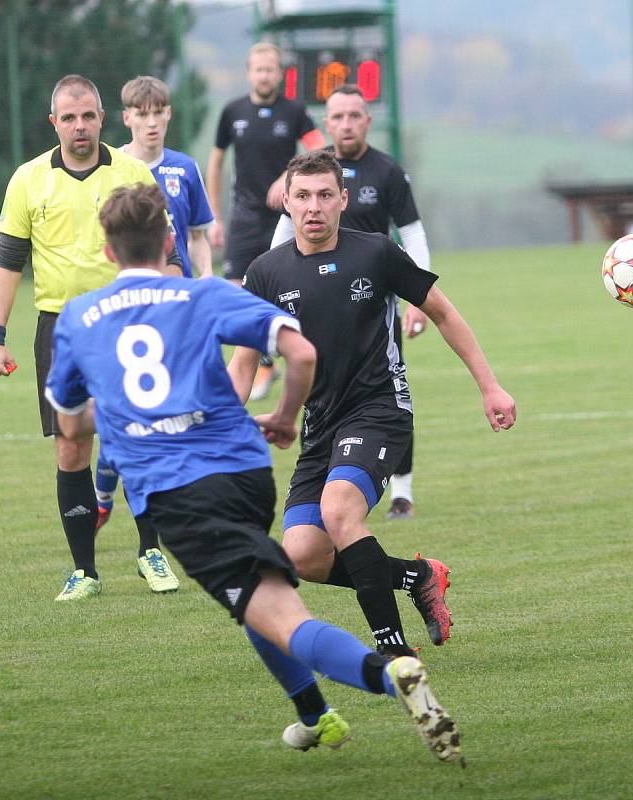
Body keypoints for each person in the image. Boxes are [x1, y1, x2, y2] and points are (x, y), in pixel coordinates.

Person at [43, 182, 463, 763]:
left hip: (176, 490)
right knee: (259, 586)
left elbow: (72, 426)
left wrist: (117, 416)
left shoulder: (80, 317)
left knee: (278, 613)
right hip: (244, 471)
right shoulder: (202, 294)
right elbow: (301, 353)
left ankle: (392, 673)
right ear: (168, 239)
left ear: (108, 251)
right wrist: (287, 417)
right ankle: (316, 717)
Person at [229, 151, 516, 660]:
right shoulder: (266, 272)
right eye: (302, 196)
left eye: (324, 195)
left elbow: (445, 315)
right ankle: (418, 575)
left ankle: (394, 652)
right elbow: (244, 361)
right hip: (320, 427)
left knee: (339, 510)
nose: (313, 207)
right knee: (303, 555)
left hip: (380, 410)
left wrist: (490, 387)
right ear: (287, 204)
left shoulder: (377, 252)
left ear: (343, 199)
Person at [0, 74, 182, 600]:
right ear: (54, 122)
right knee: (72, 446)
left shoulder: (133, 172)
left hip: (129, 320)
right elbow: (8, 261)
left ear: (102, 118)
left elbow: (169, 251)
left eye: (88, 116)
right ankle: (85, 571)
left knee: (142, 434)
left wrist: (178, 310)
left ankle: (151, 552)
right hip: (61, 328)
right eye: (68, 117)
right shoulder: (28, 179)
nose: (79, 126)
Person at [271, 83, 431, 520]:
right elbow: (284, 237)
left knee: (388, 383)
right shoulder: (311, 173)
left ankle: (402, 488)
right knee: (316, 383)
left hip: (373, 298)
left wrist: (416, 299)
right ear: (327, 124)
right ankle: (325, 472)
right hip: (313, 300)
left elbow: (412, 232)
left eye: (354, 116)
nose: (346, 124)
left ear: (367, 121)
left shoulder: (387, 171)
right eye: (337, 116)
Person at [92, 75, 215, 533]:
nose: (150, 122)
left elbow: (198, 237)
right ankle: (105, 491)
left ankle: (166, 510)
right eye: (140, 114)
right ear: (126, 119)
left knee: (171, 408)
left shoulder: (184, 168)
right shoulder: (113, 169)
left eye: (157, 112)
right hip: (123, 311)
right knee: (124, 409)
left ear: (168, 115)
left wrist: (204, 280)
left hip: (175, 306)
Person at [206, 42, 325, 400]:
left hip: (285, 217)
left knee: (287, 288)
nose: (265, 75)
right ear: (249, 72)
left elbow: (321, 148)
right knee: (236, 294)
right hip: (243, 217)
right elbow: (215, 164)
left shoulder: (294, 111)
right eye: (259, 69)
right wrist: (214, 215)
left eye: (271, 69)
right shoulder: (232, 112)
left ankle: (296, 362)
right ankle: (263, 364)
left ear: (280, 73)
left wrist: (288, 175)